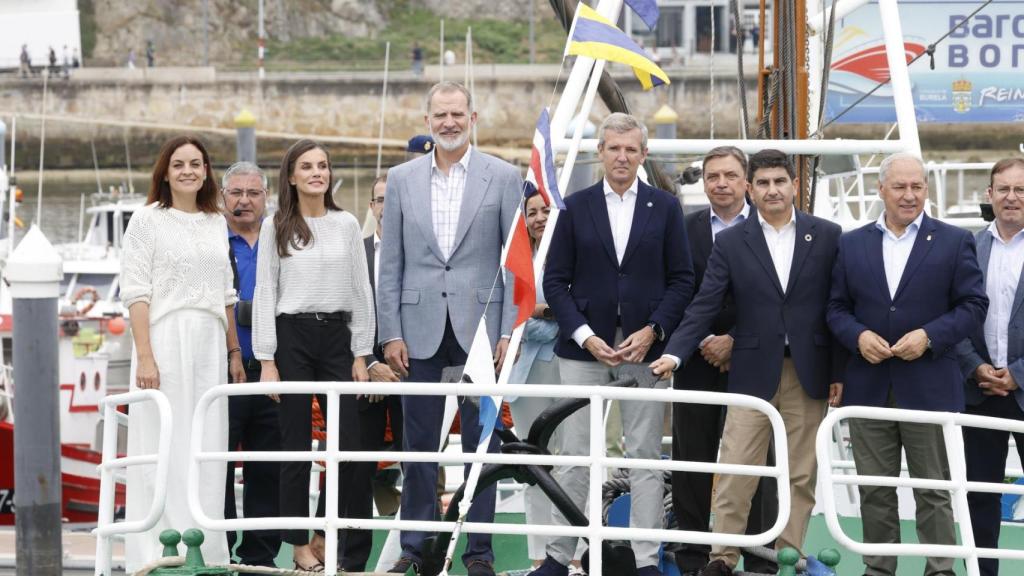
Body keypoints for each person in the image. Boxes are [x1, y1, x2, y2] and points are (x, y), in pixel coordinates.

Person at [651, 149, 844, 576]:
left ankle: (786, 556)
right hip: (752, 370)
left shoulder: (828, 235)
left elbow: (839, 307)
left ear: (794, 185)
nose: (772, 190)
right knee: (737, 467)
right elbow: (704, 303)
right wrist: (675, 352)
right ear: (751, 190)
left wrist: (839, 373)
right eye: (763, 183)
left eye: (780, 181)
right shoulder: (734, 242)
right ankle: (723, 556)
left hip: (808, 370)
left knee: (799, 473)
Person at [534, 112, 695, 576]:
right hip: (584, 350)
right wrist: (584, 334)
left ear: (643, 154)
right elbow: (556, 280)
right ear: (600, 152)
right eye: (613, 148)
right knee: (575, 456)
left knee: (643, 457)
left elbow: (682, 279)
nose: (622, 156)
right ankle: (558, 557)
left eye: (631, 149)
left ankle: (646, 562)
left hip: (645, 351)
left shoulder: (664, 208)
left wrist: (654, 331)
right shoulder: (574, 206)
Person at [377, 81, 522, 576]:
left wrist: (507, 330)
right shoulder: (400, 179)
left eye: (457, 114)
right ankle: (414, 549)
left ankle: (478, 552)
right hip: (416, 331)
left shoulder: (502, 177)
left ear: (473, 118)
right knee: (416, 447)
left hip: (480, 329)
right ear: (427, 122)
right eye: (440, 115)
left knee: (483, 445)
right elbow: (390, 262)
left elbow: (512, 264)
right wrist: (390, 332)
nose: (449, 123)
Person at [827, 152, 987, 576]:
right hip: (868, 386)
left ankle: (940, 569)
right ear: (881, 190)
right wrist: (857, 336)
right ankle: (879, 568)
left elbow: (973, 306)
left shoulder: (954, 241)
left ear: (926, 190)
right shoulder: (851, 243)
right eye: (899, 186)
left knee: (934, 489)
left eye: (917, 186)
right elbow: (836, 309)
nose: (909, 195)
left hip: (930, 384)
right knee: (875, 489)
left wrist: (930, 336)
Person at [252, 139, 376, 573]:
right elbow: (266, 292)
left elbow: (361, 290)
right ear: (291, 175)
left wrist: (362, 350)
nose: (317, 173)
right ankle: (299, 544)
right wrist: (267, 360)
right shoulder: (276, 226)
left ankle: (332, 536)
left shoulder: (345, 225)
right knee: (296, 443)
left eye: (322, 165)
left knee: (350, 444)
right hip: (293, 336)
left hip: (337, 336)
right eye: (307, 166)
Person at [120, 135, 241, 572]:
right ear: (165, 172)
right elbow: (135, 292)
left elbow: (226, 293)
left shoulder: (214, 220)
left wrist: (234, 351)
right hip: (166, 338)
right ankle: (159, 547)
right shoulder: (147, 219)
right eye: (178, 164)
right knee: (164, 440)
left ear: (207, 170)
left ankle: (206, 546)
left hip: (210, 343)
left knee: (207, 442)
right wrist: (146, 356)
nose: (188, 170)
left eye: (196, 163)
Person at [670, 147, 776, 576]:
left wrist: (735, 340)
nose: (721, 184)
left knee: (755, 463)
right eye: (712, 176)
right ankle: (693, 558)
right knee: (692, 463)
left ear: (746, 181)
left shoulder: (772, 228)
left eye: (730, 175)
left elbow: (777, 297)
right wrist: (699, 343)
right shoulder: (686, 228)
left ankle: (759, 557)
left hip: (751, 361)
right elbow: (677, 290)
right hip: (695, 361)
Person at [955, 158, 1024, 576]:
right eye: (1004, 189)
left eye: (1020, 190)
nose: (1012, 198)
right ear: (990, 195)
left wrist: (1019, 372)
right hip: (977, 392)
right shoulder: (966, 248)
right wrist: (975, 367)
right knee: (979, 496)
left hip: (1022, 385)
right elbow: (950, 313)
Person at [220, 161, 281, 570]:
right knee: (216, 466)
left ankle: (259, 558)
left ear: (266, 198)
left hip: (272, 369)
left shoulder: (282, 241)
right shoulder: (209, 241)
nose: (245, 201)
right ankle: (218, 552)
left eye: (253, 193)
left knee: (270, 467)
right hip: (221, 371)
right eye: (236, 193)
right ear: (223, 197)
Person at [507, 186, 560, 568]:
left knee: (574, 461)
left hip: (567, 366)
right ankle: (540, 556)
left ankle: (575, 554)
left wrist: (535, 314)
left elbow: (574, 309)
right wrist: (541, 313)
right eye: (531, 212)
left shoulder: (569, 253)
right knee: (534, 464)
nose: (539, 218)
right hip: (525, 374)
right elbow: (512, 314)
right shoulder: (516, 260)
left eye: (545, 210)